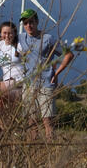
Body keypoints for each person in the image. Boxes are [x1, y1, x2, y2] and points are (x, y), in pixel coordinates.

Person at [17, 8, 73, 140]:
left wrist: (57, 73)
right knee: (31, 120)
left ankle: (51, 149)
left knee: (47, 120)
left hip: (46, 83)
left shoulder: (48, 38)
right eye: (25, 23)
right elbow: (4, 36)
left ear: (37, 22)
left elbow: (69, 54)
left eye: (31, 22)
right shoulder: (20, 37)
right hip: (29, 84)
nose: (28, 25)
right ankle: (34, 149)